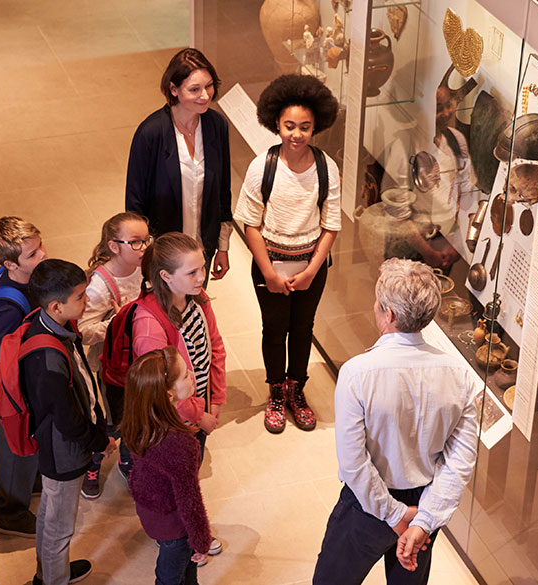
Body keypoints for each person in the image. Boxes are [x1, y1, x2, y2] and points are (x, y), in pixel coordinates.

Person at [312, 259, 481, 585]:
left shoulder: (357, 373)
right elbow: (460, 461)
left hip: (367, 506)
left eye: (377, 301)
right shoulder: (460, 375)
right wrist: (424, 520)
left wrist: (394, 514)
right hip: (425, 503)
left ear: (388, 314)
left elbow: (354, 463)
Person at [235, 74, 341, 434]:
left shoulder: (327, 168)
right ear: (275, 124)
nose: (296, 134)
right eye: (289, 126)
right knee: (274, 329)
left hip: (311, 267)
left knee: (303, 329)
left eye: (305, 127)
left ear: (316, 127)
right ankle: (276, 393)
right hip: (270, 267)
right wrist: (268, 273)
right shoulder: (261, 167)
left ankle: (298, 391)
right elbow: (250, 224)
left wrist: (311, 270)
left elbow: (331, 224)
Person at [131, 232, 225, 561]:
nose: (202, 278)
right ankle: (180, 535)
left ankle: (187, 530)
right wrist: (200, 418)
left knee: (190, 475)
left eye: (202, 268)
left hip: (198, 411)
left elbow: (215, 350)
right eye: (192, 272)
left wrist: (215, 401)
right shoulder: (149, 326)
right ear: (165, 276)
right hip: (177, 422)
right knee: (179, 485)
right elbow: (164, 391)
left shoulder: (198, 299)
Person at [22, 259, 115, 585]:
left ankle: (48, 572)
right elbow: (67, 417)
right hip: (63, 451)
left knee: (50, 513)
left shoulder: (51, 325)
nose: (87, 300)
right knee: (60, 527)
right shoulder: (47, 358)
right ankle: (53, 579)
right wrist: (98, 441)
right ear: (56, 306)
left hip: (60, 446)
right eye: (80, 297)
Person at [126, 47, 233, 279]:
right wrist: (143, 253)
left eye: (209, 86)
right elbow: (134, 204)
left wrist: (222, 247)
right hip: (163, 256)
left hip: (201, 251)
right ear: (173, 90)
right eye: (194, 89)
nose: (205, 95)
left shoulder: (217, 126)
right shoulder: (150, 134)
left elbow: (223, 192)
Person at [122, 347, 213, 585]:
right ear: (169, 395)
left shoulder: (139, 422)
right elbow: (189, 501)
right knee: (170, 576)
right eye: (184, 375)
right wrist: (202, 540)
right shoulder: (180, 445)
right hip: (174, 526)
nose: (192, 374)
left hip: (152, 512)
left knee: (184, 573)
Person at [77, 212, 150, 498]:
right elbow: (83, 331)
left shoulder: (146, 267)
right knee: (114, 420)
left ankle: (127, 460)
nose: (143, 248)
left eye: (145, 240)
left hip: (143, 357)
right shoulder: (99, 285)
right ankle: (93, 464)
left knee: (139, 415)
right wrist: (118, 322)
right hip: (113, 366)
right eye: (135, 242)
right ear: (114, 246)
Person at [0, 216, 46, 537]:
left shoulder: (26, 281)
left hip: (27, 385)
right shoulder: (9, 305)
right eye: (33, 254)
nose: (42, 255)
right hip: (16, 391)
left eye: (40, 248)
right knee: (13, 446)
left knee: (25, 444)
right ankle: (10, 511)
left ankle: (28, 483)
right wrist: (21, 379)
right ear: (10, 263)